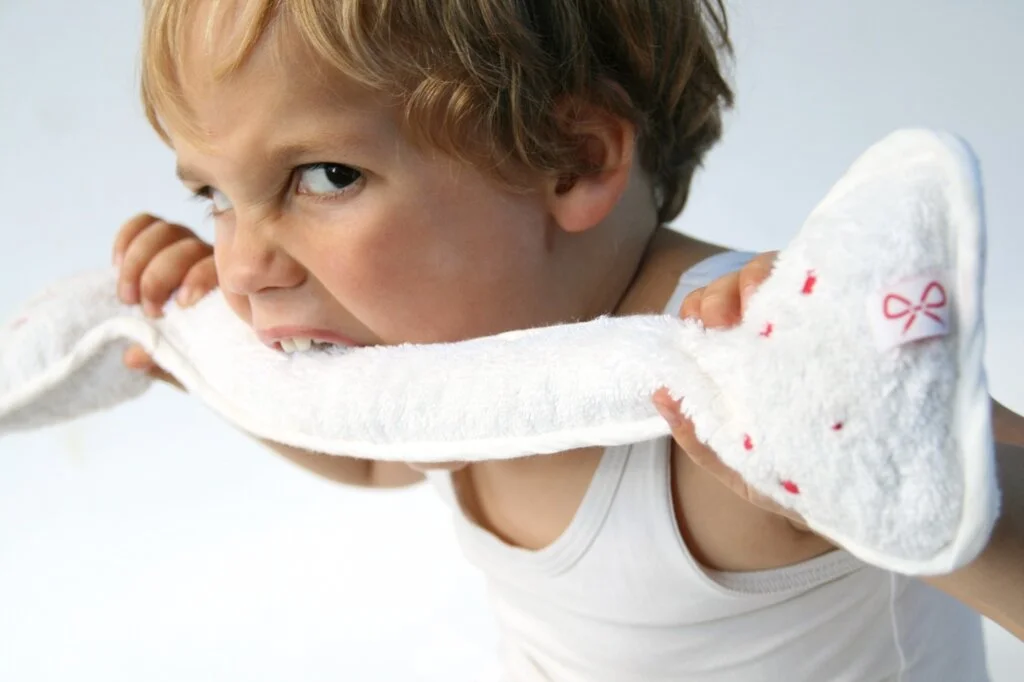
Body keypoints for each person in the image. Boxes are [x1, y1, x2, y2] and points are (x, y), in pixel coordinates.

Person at [112, 0, 1024, 679]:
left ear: (572, 160)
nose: (239, 268)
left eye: (325, 175)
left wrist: (868, 426)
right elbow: (371, 459)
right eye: (214, 195)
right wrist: (203, 367)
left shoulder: (743, 362)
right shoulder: (453, 353)